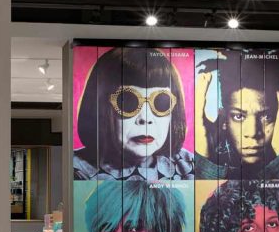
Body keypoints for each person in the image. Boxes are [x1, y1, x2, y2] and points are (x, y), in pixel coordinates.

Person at [74, 47, 194, 180]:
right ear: (99, 108)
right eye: (127, 102)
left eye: (161, 103)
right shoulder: (76, 170)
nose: (146, 118)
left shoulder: (189, 165)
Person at [195, 51, 279, 179]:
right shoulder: (192, 160)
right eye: (239, 116)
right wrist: (204, 159)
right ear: (224, 119)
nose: (253, 133)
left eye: (266, 117)